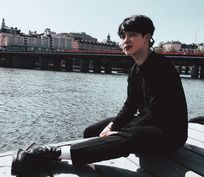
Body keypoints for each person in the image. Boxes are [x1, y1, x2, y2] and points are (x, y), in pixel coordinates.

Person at [11, 15, 188, 176]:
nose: (125, 40)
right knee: (92, 131)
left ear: (147, 38)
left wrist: (120, 131)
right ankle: (81, 152)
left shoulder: (162, 68)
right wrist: (113, 125)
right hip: (148, 123)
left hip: (168, 134)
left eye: (132, 35)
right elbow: (130, 105)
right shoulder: (135, 69)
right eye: (123, 36)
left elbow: (157, 115)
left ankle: (55, 153)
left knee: (134, 134)